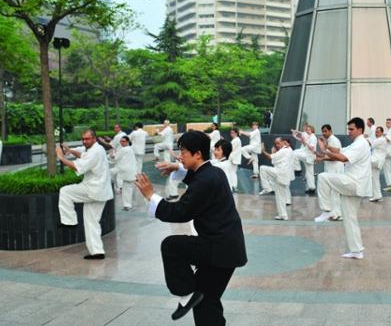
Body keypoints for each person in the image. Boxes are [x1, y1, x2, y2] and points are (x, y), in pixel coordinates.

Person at [135, 130, 247, 324]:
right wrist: (177, 167)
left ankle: (186, 294)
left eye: (184, 152)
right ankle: (189, 296)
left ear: (197, 154)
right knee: (207, 303)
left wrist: (150, 196)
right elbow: (197, 176)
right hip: (226, 247)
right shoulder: (213, 172)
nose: (180, 156)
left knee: (171, 246)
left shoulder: (205, 180)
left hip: (218, 249)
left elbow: (180, 212)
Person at [315, 117, 372, 260]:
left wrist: (324, 150)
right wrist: (324, 154)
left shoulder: (360, 143)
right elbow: (339, 152)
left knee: (322, 177)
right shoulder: (357, 143)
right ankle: (357, 251)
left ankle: (327, 210)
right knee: (349, 218)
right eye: (348, 129)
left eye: (352, 129)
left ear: (360, 129)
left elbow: (343, 158)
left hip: (353, 182)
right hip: (356, 185)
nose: (349, 132)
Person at [55, 129, 114, 259]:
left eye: (87, 139)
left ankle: (69, 222)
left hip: (93, 189)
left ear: (94, 138)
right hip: (101, 191)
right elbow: (82, 154)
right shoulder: (94, 149)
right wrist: (70, 151)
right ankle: (97, 252)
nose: (84, 141)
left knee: (65, 191)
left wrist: (61, 157)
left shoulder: (96, 152)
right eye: (83, 139)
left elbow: (78, 167)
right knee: (91, 222)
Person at [260, 137, 294, 220]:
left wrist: (263, 151)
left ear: (283, 142)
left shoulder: (284, 150)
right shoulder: (289, 150)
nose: (277, 145)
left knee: (262, 168)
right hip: (283, 177)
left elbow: (271, 157)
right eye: (276, 144)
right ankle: (283, 215)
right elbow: (276, 160)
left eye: (278, 143)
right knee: (280, 197)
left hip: (280, 173)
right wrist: (274, 152)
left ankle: (267, 188)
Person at [111, 136, 138, 211]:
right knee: (127, 188)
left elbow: (115, 158)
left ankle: (127, 205)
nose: (121, 143)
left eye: (123, 141)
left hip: (126, 172)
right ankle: (127, 205)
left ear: (127, 141)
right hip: (130, 171)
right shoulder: (130, 148)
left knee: (127, 188)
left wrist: (112, 153)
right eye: (121, 141)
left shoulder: (124, 149)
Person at [292, 124, 318, 194]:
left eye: (309, 130)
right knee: (310, 173)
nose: (307, 131)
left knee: (294, 153)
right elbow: (304, 142)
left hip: (309, 156)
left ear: (312, 130)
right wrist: (296, 136)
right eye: (307, 130)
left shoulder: (313, 137)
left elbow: (311, 148)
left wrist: (305, 141)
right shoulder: (310, 137)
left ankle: (298, 170)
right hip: (307, 154)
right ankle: (312, 188)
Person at [369, 126, 387, 202]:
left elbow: (371, 144)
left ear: (382, 133)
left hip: (376, 161)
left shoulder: (381, 139)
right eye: (376, 132)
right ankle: (377, 195)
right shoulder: (379, 139)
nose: (376, 133)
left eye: (378, 132)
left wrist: (363, 138)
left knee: (362, 161)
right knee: (375, 179)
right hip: (376, 161)